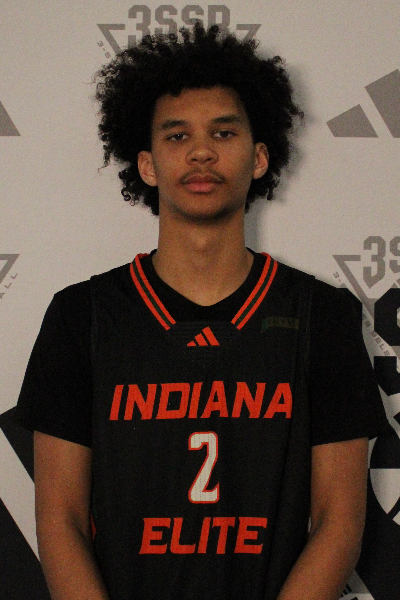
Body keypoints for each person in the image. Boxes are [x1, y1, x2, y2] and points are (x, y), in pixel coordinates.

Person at [14, 24, 388, 600]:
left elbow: (339, 523)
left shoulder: (323, 317)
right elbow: (59, 521)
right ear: (146, 164)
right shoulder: (80, 317)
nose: (201, 151)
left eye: (224, 132)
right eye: (177, 134)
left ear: (259, 157)